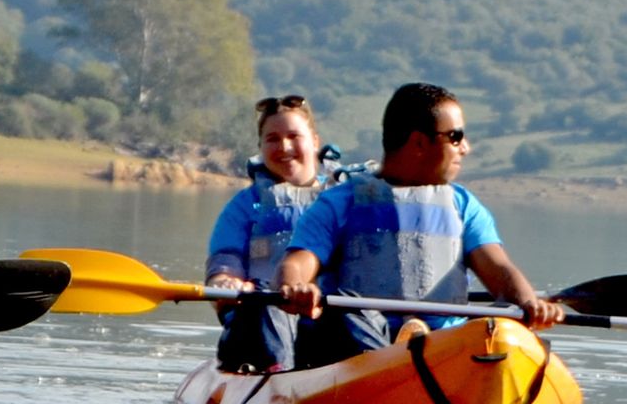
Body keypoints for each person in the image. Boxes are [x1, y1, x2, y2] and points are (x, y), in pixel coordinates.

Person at [278, 80, 566, 354]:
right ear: (418, 142)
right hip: (360, 341)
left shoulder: (464, 206)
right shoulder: (339, 203)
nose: (465, 148)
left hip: (442, 348)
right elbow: (298, 261)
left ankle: (421, 359)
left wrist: (530, 304)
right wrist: (295, 287)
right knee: (343, 312)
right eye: (455, 137)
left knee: (502, 321)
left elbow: (500, 270)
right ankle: (395, 361)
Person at [205, 94, 337, 374]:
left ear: (314, 141)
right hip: (260, 325)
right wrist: (225, 281)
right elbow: (225, 259)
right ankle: (277, 377)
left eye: (293, 136)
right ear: (261, 147)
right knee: (263, 305)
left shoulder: (343, 199)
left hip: (324, 323)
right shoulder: (244, 206)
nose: (284, 147)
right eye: (273, 139)